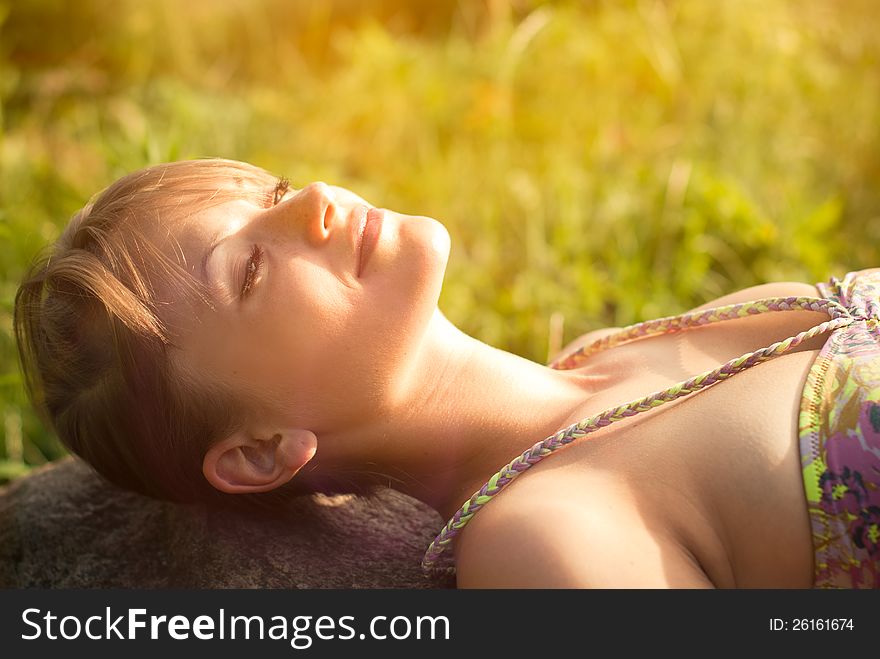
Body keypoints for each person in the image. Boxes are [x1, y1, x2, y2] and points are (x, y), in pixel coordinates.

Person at [14, 158, 880, 589]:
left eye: (272, 193)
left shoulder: (616, 349)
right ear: (262, 449)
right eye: (247, 270)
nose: (315, 195)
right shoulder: (544, 540)